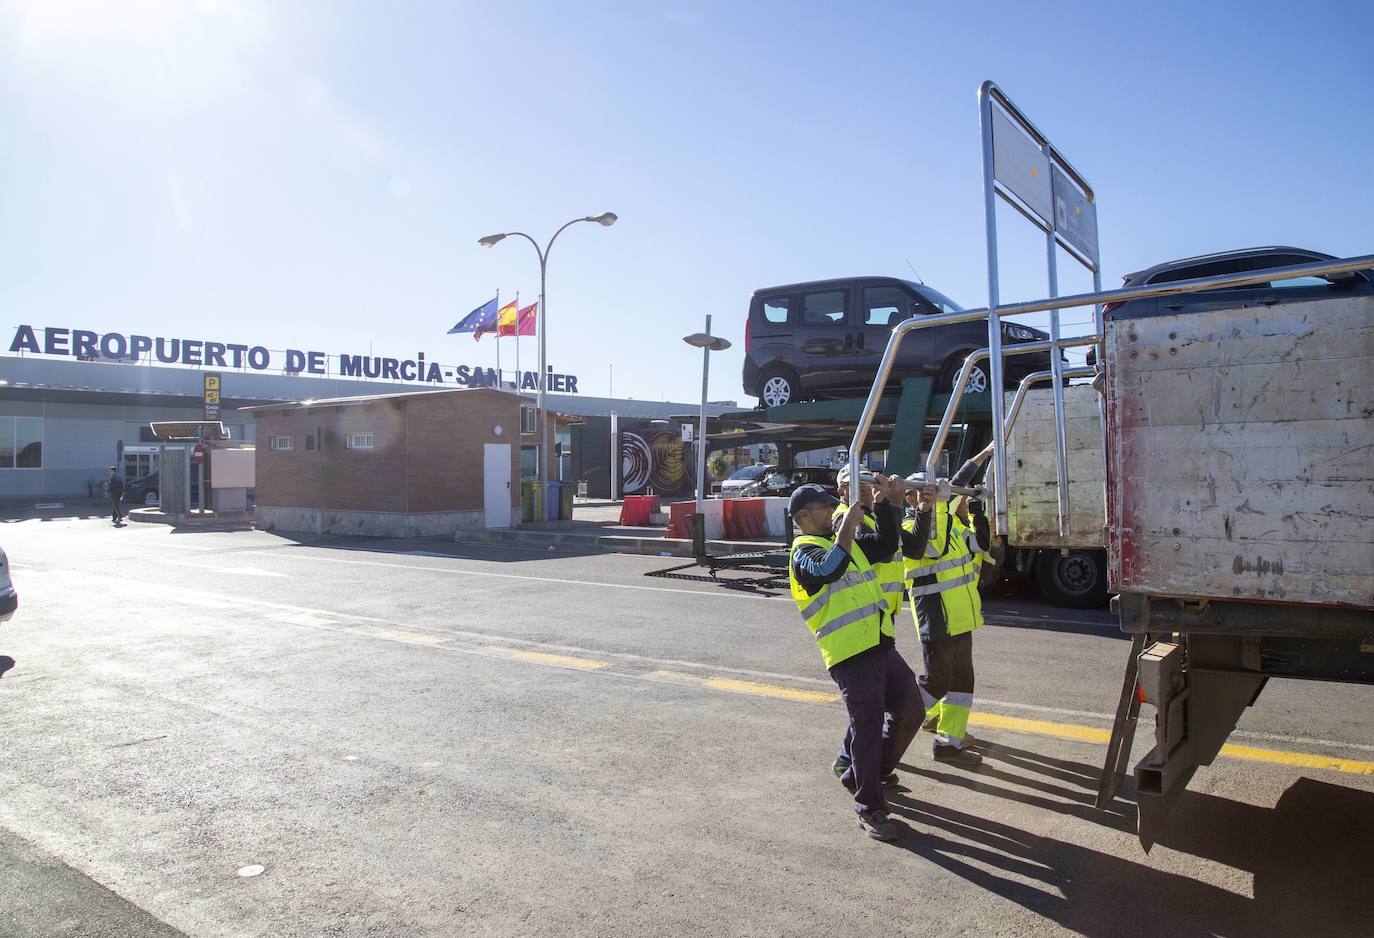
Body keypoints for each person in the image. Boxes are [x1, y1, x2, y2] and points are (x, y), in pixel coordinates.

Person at [788, 478, 925, 842]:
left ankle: (864, 774)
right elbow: (828, 569)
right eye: (824, 506)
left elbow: (884, 545)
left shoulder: (838, 541)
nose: (831, 509)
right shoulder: (803, 549)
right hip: (850, 654)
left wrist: (882, 504)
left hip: (879, 643)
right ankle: (870, 808)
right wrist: (848, 521)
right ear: (804, 515)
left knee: (912, 709)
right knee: (865, 729)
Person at [903, 442, 996, 769]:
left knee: (961, 684)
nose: (927, 496)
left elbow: (959, 480)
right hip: (938, 620)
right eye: (920, 492)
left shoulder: (953, 524)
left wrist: (984, 454)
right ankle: (891, 725)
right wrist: (936, 504)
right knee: (936, 683)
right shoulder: (912, 529)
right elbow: (931, 545)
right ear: (910, 498)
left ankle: (948, 745)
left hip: (962, 619)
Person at [828, 465, 918, 782]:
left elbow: (908, 545)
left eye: (868, 483)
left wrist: (905, 505)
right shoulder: (844, 518)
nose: (866, 489)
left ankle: (851, 761)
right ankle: (852, 766)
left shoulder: (870, 515)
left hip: (880, 617)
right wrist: (884, 503)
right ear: (841, 491)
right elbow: (882, 547)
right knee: (872, 703)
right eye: (857, 485)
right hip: (862, 623)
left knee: (872, 703)